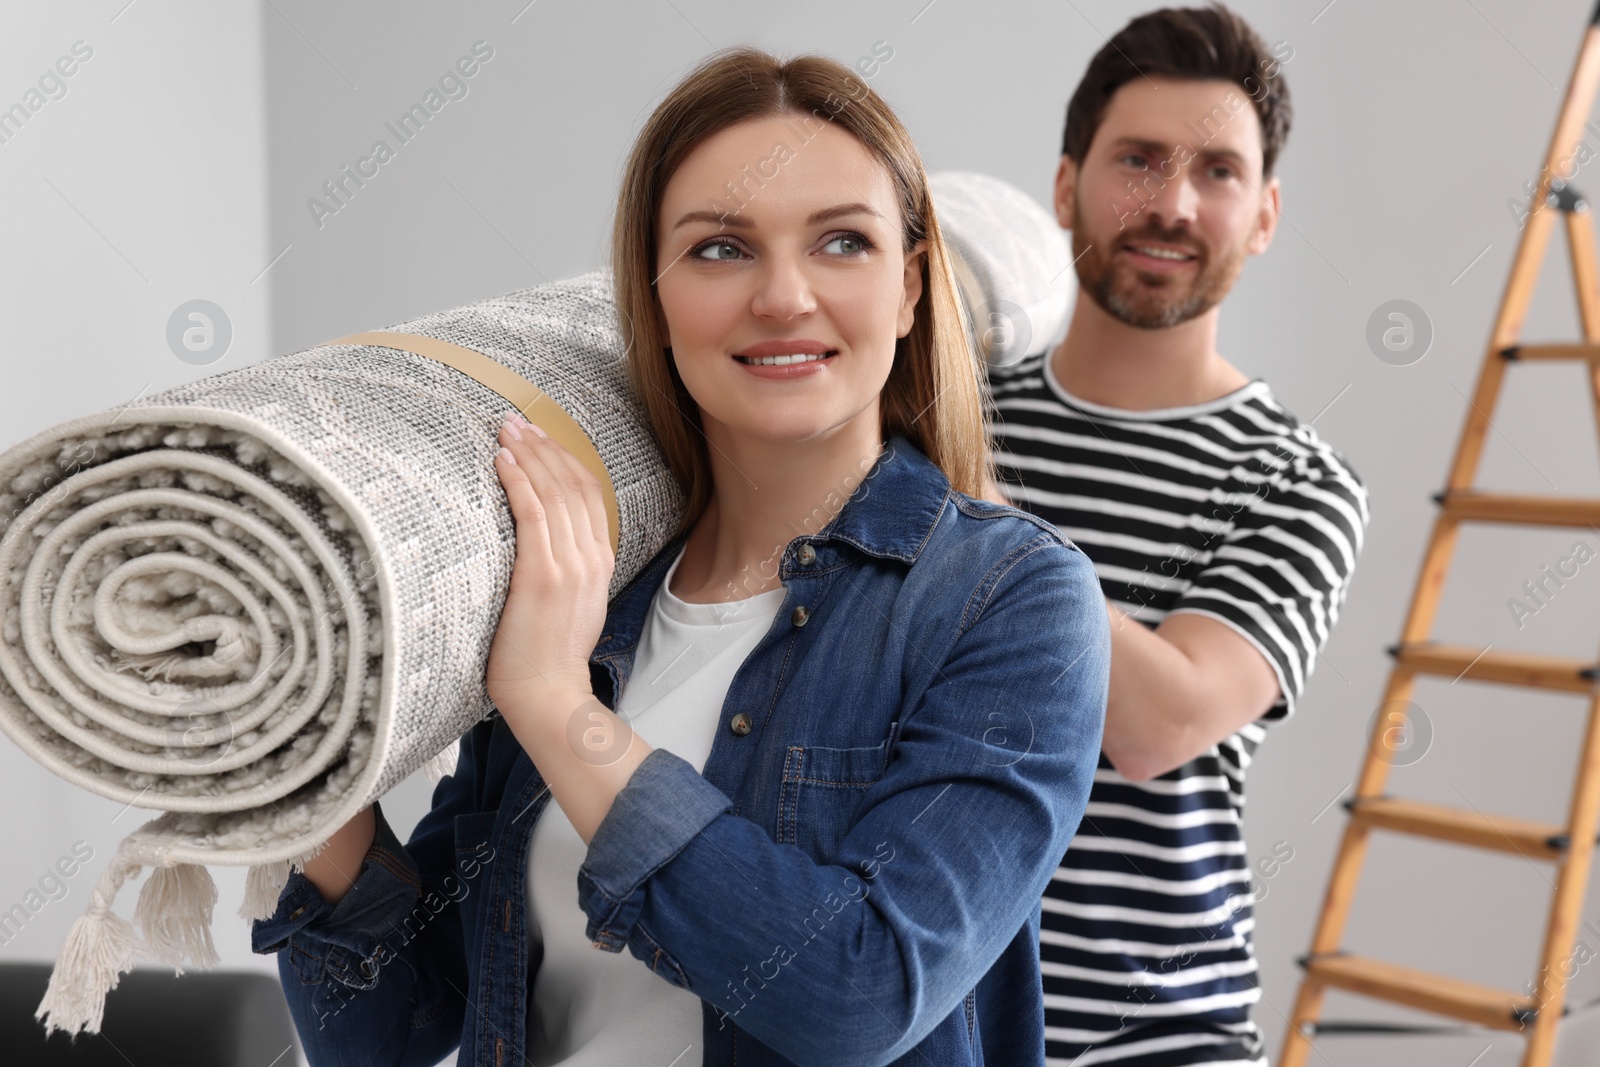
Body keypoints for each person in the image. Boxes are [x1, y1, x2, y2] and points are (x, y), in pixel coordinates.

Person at [252, 45, 1112, 1067]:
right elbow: (391, 1031)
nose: (784, 295)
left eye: (841, 241)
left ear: (912, 289)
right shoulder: (578, 587)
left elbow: (860, 992)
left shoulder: (1010, 601)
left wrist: (556, 705)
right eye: (719, 249)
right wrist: (289, 732)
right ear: (653, 297)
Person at [981, 5, 1371, 1065]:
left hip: (1157, 1036)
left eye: (1216, 171)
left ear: (1264, 214)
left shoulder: (1298, 484)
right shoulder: (955, 417)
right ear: (1067, 187)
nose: (1172, 203)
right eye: (1139, 161)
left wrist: (961, 498)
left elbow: (1158, 724)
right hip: (925, 1009)